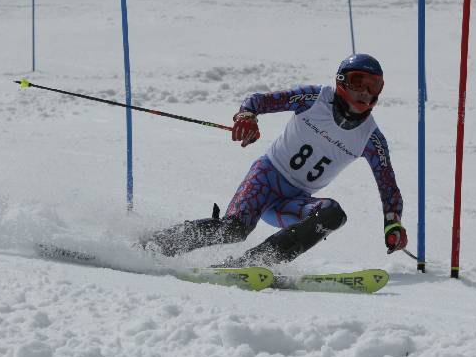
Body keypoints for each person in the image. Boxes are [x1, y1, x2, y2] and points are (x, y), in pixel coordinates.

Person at [141, 53, 408, 268]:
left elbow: (388, 187)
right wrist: (246, 116)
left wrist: (393, 223)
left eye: (373, 86)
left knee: (333, 214)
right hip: (266, 178)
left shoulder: (371, 139)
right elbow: (258, 101)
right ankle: (153, 245)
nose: (364, 92)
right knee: (234, 229)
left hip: (294, 200)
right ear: (341, 81)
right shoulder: (315, 99)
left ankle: (255, 263)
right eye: (357, 82)